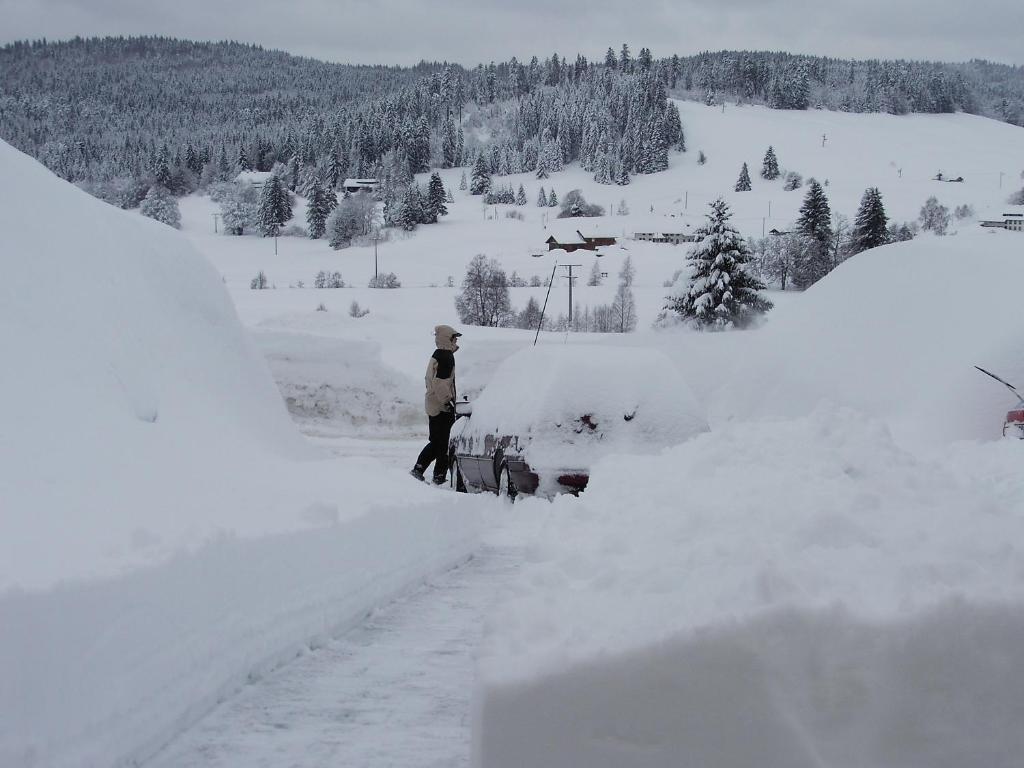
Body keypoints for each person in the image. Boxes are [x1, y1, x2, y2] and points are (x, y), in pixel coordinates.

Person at [411, 324, 461, 484]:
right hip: (441, 406)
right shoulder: (446, 357)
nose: (456, 341)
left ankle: (420, 469)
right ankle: (438, 476)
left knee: (437, 441)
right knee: (444, 443)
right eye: (454, 338)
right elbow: (440, 383)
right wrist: (448, 402)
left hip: (433, 403)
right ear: (448, 338)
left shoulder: (438, 355)